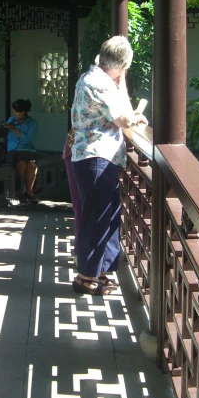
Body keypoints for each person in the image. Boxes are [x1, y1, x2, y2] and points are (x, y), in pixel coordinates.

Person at [70, 36, 148, 295]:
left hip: (97, 158)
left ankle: (101, 272)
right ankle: (85, 277)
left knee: (107, 217)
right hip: (95, 158)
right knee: (97, 219)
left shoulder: (92, 77)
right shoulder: (99, 83)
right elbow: (125, 119)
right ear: (122, 65)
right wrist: (123, 83)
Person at [3, 98, 40, 204]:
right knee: (22, 164)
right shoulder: (12, 120)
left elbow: (29, 139)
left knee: (32, 165)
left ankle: (28, 190)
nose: (14, 114)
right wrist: (5, 126)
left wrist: (14, 130)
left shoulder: (33, 124)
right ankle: (31, 191)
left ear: (23, 112)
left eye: (16, 112)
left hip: (28, 149)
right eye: (13, 112)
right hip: (14, 149)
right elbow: (5, 130)